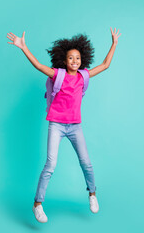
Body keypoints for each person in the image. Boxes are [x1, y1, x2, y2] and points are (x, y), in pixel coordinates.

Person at [6, 28, 121, 223]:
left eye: (77, 58)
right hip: (57, 126)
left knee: (86, 162)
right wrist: (23, 47)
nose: (74, 61)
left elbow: (105, 65)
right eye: (70, 58)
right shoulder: (57, 75)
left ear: (81, 59)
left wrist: (114, 44)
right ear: (64, 60)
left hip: (75, 127)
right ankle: (37, 204)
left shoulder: (84, 76)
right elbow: (39, 66)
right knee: (50, 164)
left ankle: (92, 194)